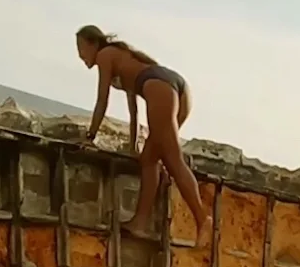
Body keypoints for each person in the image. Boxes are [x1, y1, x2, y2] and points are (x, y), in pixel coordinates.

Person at [75, 24, 212, 247]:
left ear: (93, 44)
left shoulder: (105, 55)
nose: (80, 55)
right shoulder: (123, 57)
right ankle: (139, 222)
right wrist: (133, 144)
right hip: (176, 87)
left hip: (160, 88)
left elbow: (102, 100)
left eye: (81, 48)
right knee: (149, 159)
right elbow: (133, 109)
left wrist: (90, 136)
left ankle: (201, 217)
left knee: (173, 158)